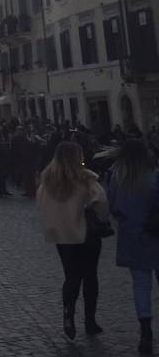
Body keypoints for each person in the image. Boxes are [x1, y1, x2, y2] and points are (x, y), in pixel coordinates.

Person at [37, 141, 109, 341]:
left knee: (71, 276)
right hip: (86, 234)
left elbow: (41, 204)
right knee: (90, 277)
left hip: (62, 236)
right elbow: (101, 201)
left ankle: (68, 313)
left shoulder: (47, 180)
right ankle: (90, 321)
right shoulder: (85, 178)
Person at [104, 137, 159, 353]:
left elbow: (113, 206)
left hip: (133, 237)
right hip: (155, 235)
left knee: (141, 285)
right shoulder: (154, 176)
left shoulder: (119, 179)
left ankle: (145, 330)